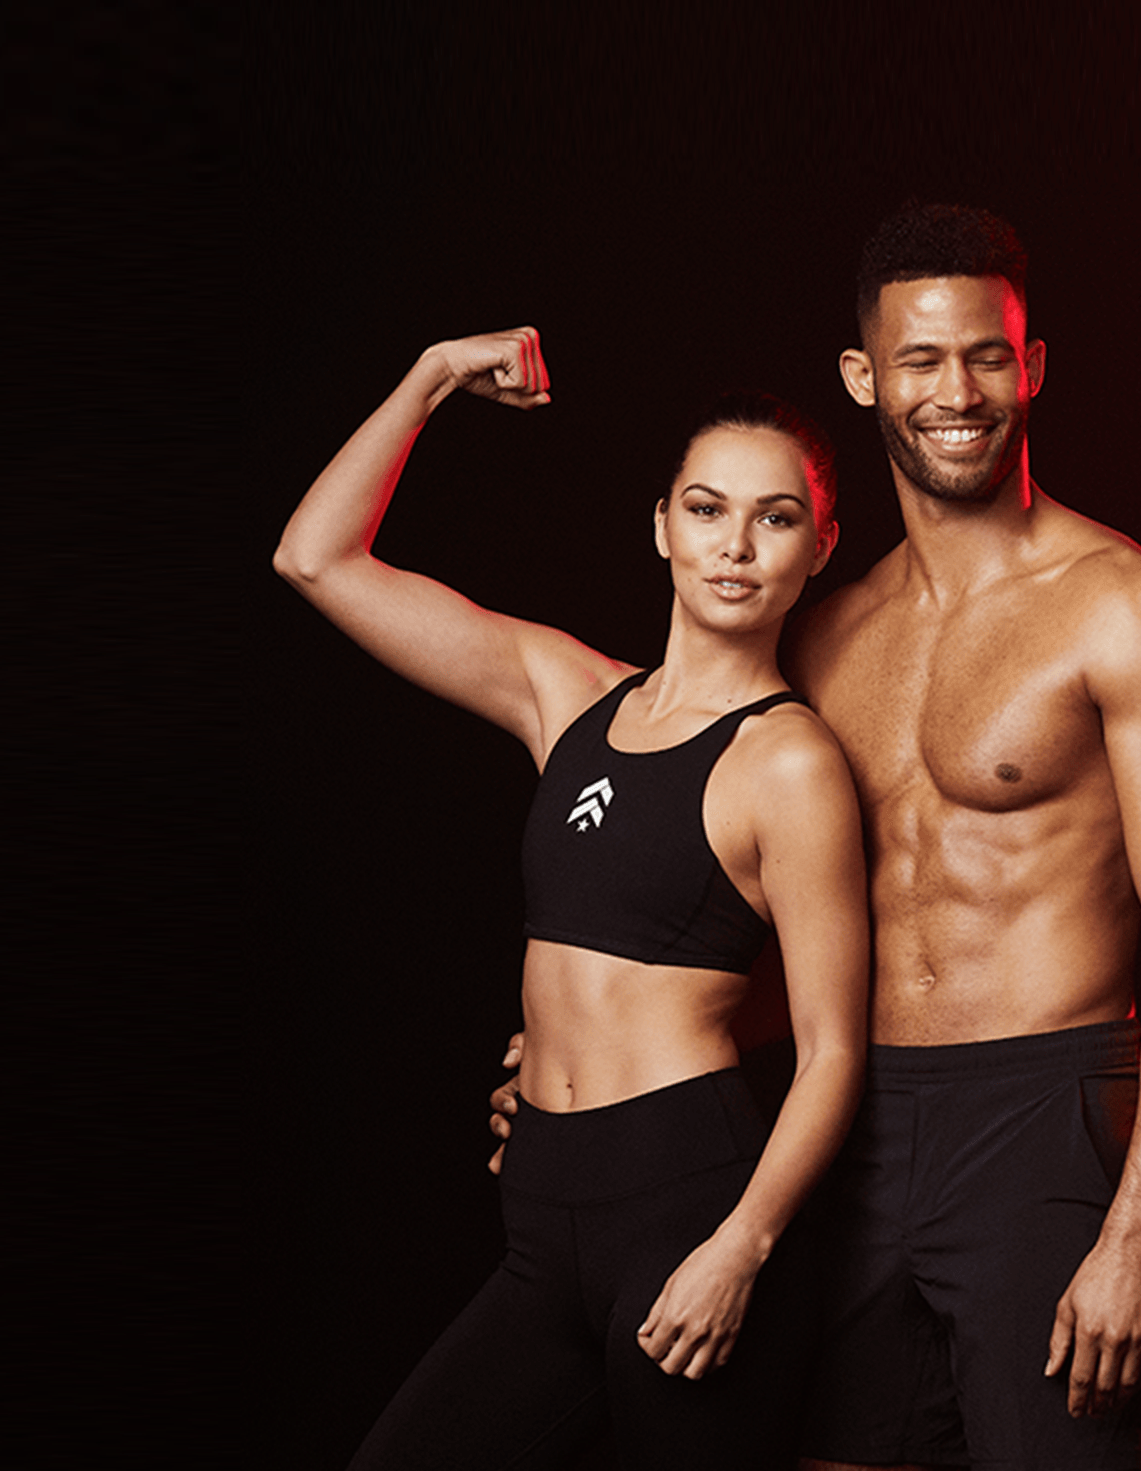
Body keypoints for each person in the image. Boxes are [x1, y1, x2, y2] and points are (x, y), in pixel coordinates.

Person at [276, 327, 873, 1471]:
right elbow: (318, 559)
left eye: (775, 518)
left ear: (819, 547)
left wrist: (740, 1249)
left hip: (686, 1207)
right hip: (542, 1211)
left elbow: (835, 1048)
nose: (736, 546)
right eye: (706, 510)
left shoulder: (789, 763)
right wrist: (434, 375)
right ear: (660, 525)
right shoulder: (570, 697)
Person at [784, 201, 1141, 1471]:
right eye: (921, 359)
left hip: (1050, 1111)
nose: (958, 391)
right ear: (863, 376)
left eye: (989, 354)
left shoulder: (1119, 603)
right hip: (855, 1123)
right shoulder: (825, 635)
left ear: (1031, 365)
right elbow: (747, 908)